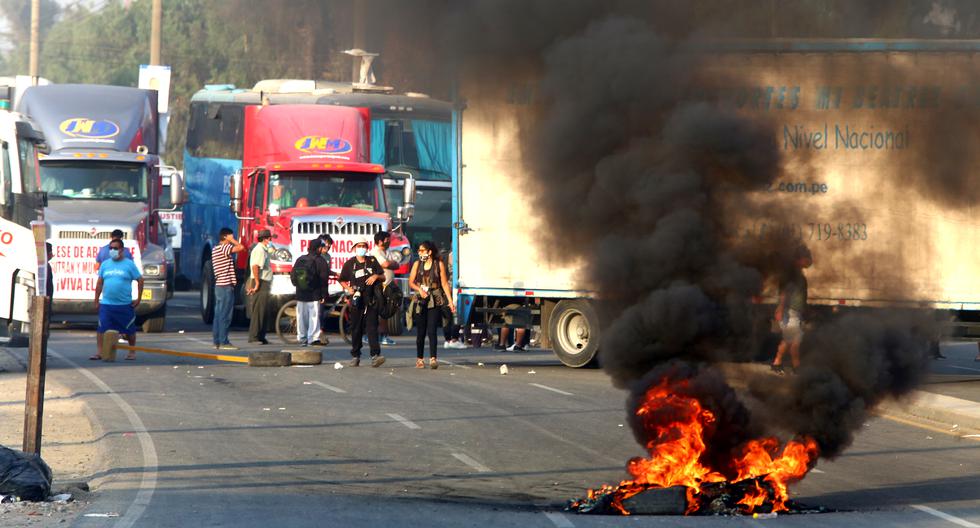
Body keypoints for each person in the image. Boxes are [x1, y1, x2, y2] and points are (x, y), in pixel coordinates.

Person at [90, 238, 143, 360]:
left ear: (122, 250)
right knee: (101, 329)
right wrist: (96, 300)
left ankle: (131, 352)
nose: (113, 250)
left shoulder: (129, 264)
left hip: (124, 304)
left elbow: (140, 280)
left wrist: (139, 298)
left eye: (116, 248)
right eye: (111, 248)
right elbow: (99, 283)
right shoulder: (105, 264)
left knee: (129, 330)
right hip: (107, 304)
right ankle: (100, 352)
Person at [339, 236, 386, 367]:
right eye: (359, 246)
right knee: (356, 328)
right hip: (357, 300)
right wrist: (348, 288)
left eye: (363, 246)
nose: (361, 248)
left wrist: (375, 276)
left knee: (371, 328)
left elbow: (383, 276)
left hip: (371, 299)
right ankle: (355, 355)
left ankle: (375, 355)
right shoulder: (349, 264)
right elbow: (342, 279)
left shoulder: (372, 261)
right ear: (354, 248)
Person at [408, 241, 454, 369]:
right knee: (421, 332)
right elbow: (411, 282)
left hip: (435, 299)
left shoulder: (438, 264)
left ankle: (433, 358)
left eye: (423, 250)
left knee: (432, 330)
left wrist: (450, 301)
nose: (420, 253)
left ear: (430, 252)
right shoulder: (417, 264)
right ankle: (420, 359)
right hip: (421, 300)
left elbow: (444, 284)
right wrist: (420, 290)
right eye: (419, 251)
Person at [772, 245, 812, 374]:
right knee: (793, 341)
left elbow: (801, 296)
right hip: (789, 312)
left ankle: (778, 363)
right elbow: (785, 293)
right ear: (799, 259)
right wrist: (780, 309)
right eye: (807, 258)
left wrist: (804, 311)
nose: (809, 261)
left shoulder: (799, 276)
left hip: (796, 312)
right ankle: (794, 367)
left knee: (791, 340)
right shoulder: (791, 274)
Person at [293, 238, 331, 347]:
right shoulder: (320, 261)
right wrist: (324, 294)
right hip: (314, 294)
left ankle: (302, 337)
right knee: (313, 317)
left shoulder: (301, 259)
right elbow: (324, 280)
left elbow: (293, 275)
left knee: (301, 317)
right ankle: (313, 338)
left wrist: (299, 287)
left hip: (300, 294)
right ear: (319, 248)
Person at [212, 228, 244, 350]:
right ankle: (224, 342)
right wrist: (233, 241)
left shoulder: (215, 249)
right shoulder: (224, 248)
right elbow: (241, 248)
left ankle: (217, 341)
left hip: (219, 285)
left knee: (218, 314)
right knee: (226, 315)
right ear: (225, 237)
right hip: (225, 286)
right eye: (231, 235)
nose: (232, 237)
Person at [370, 231, 399, 346]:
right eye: (387, 239)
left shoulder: (387, 251)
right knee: (382, 312)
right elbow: (386, 264)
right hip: (380, 286)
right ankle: (381, 335)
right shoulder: (376, 252)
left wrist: (391, 264)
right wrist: (391, 264)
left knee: (387, 311)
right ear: (380, 241)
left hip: (388, 286)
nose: (389, 241)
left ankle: (383, 335)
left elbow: (397, 264)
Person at [247, 229, 274, 345]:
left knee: (265, 311)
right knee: (258, 311)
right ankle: (254, 337)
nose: (270, 240)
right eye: (269, 238)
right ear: (264, 239)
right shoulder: (259, 250)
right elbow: (255, 267)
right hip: (260, 282)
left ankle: (261, 336)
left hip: (265, 282)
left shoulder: (265, 250)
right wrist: (257, 283)